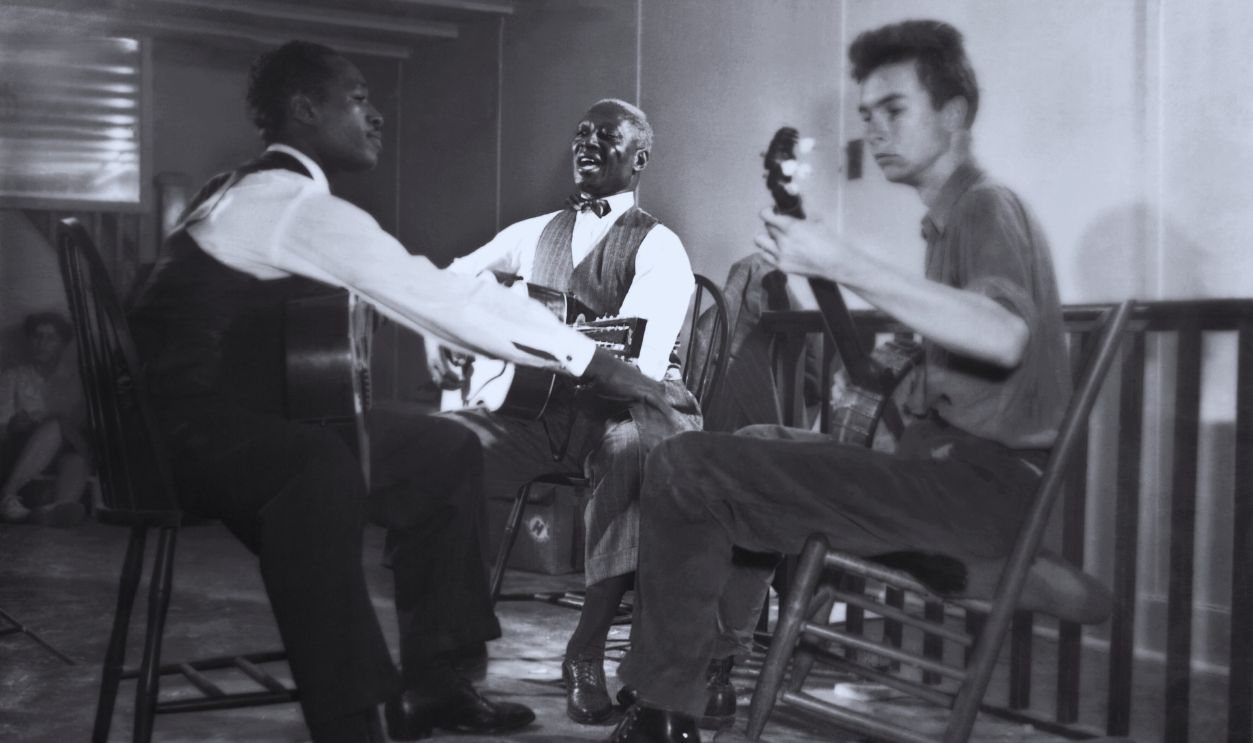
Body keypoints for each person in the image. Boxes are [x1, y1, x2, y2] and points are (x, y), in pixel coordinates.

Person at [128, 41, 671, 743]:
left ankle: (441, 683)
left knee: (440, 448)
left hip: (221, 428)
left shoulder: (249, 190)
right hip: (186, 443)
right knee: (316, 467)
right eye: (356, 99)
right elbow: (442, 296)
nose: (376, 115)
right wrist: (597, 364)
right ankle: (352, 714)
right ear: (303, 110)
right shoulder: (288, 205)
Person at [606, 20, 1113, 742]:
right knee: (751, 445)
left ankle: (664, 709)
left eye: (894, 110)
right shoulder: (947, 228)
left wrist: (842, 262)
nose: (874, 130)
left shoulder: (983, 206)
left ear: (955, 112)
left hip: (971, 490)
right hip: (946, 477)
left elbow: (1003, 334)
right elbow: (910, 373)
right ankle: (712, 672)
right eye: (867, 114)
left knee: (687, 466)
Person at [423, 99, 703, 726]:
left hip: (629, 410)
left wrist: (556, 343)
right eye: (581, 133)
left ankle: (586, 651)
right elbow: (451, 277)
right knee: (441, 447)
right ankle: (446, 666)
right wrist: (440, 330)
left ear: (640, 159)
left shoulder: (661, 247)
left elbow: (640, 367)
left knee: (629, 451)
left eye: (607, 136)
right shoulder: (535, 232)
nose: (587, 143)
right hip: (540, 417)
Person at [0, 311, 91, 527]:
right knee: (55, 425)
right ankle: (6, 497)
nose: (41, 343)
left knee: (76, 459)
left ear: (62, 344)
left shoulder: (75, 381)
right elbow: (1, 427)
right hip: (20, 450)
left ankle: (57, 509)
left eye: (50, 338)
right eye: (37, 336)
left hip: (63, 450)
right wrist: (14, 426)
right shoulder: (13, 376)